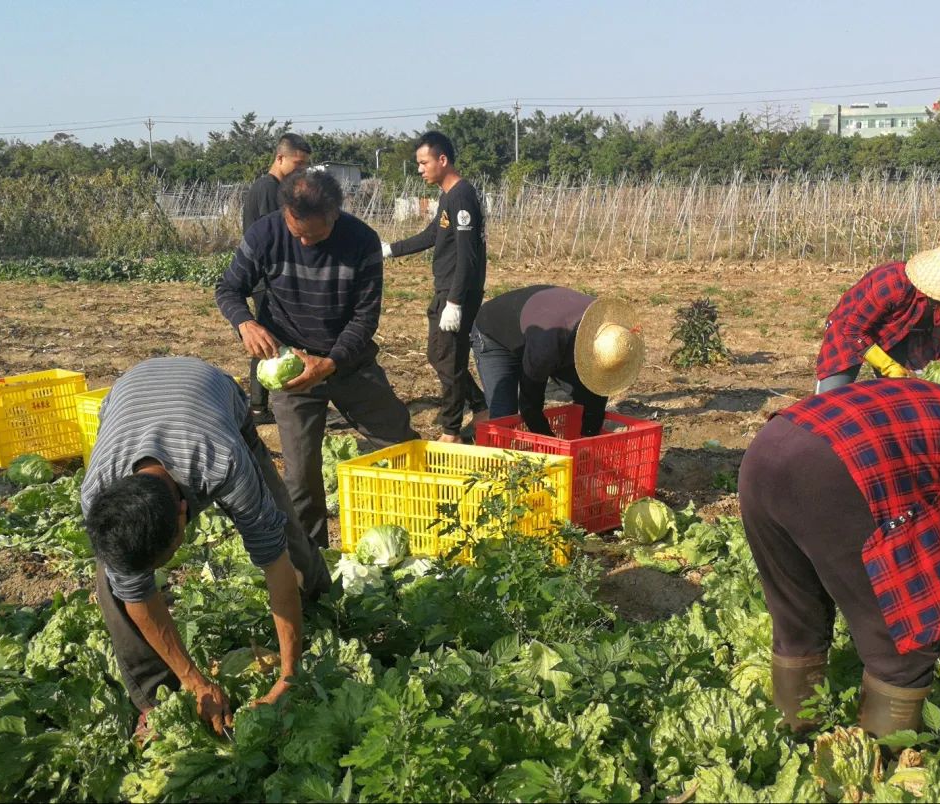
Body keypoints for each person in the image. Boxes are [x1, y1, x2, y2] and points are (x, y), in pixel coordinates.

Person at [739, 366, 940, 737]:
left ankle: (793, 735)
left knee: (797, 617)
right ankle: (884, 761)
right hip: (838, 474)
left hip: (771, 447)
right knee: (905, 643)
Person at [82, 357, 332, 737]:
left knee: (279, 524)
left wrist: (289, 676)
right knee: (114, 585)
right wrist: (195, 682)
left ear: (185, 512)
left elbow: (274, 564)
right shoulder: (98, 493)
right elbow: (136, 594)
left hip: (214, 394)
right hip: (129, 396)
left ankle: (322, 601)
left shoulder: (223, 463)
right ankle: (158, 700)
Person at [216, 167, 418, 551]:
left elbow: (365, 318)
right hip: (292, 369)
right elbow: (228, 288)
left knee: (397, 441)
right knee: (300, 476)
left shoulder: (362, 241)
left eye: (316, 234)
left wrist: (331, 363)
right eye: (298, 233)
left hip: (350, 364)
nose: (306, 243)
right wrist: (244, 323)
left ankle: (414, 527)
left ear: (335, 214)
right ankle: (313, 561)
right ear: (285, 213)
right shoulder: (265, 234)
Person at [382, 131, 488, 442]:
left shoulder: (462, 196)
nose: (420, 169)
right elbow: (432, 235)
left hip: (457, 292)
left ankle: (451, 429)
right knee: (439, 355)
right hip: (446, 289)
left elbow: (468, 257)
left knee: (449, 358)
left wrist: (455, 302)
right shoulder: (448, 196)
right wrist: (391, 249)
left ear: (442, 160)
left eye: (423, 162)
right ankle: (481, 406)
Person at [815, 233, 940, 394]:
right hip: (851, 330)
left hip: (902, 333)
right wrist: (886, 365)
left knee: (911, 392)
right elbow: (854, 329)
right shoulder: (893, 283)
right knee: (831, 397)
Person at [470, 285, 645, 437]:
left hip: (542, 323)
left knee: (588, 392)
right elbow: (529, 406)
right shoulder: (547, 347)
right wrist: (551, 444)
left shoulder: (605, 325)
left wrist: (587, 438)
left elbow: (596, 394)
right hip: (494, 334)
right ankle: (501, 467)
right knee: (505, 414)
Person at [241, 133, 313, 424]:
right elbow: (275, 236)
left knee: (270, 339)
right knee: (267, 340)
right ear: (280, 158)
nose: (301, 170)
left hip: (269, 277)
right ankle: (259, 407)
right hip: (267, 279)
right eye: (298, 163)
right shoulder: (269, 189)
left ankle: (262, 404)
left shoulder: (271, 186)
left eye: (305, 165)